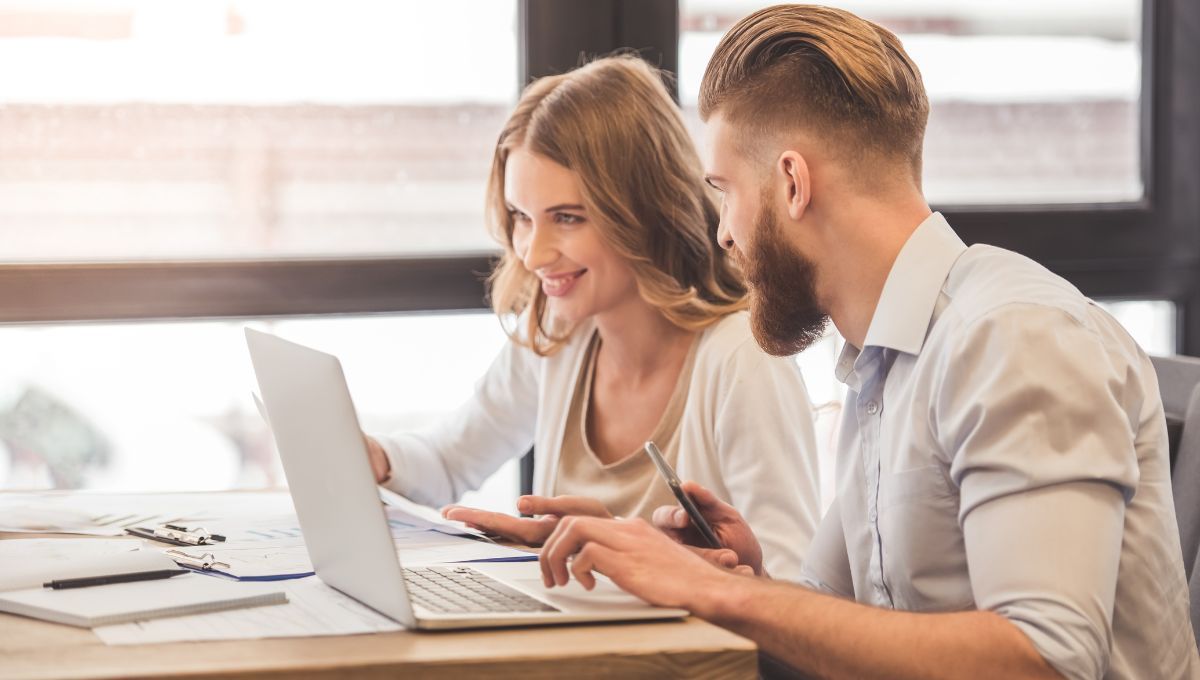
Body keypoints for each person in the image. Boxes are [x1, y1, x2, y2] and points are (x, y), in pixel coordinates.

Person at [536, 6, 1200, 679]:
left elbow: (1045, 662)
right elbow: (835, 616)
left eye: (726, 193)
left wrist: (720, 593)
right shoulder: (882, 362)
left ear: (792, 183)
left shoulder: (1014, 337)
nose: (723, 235)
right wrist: (729, 576)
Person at [363, 54, 823, 579]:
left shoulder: (742, 361)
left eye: (567, 218)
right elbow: (450, 460)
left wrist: (639, 556)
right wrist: (375, 457)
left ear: (645, 211)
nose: (534, 254)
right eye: (521, 217)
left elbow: (794, 594)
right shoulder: (563, 332)